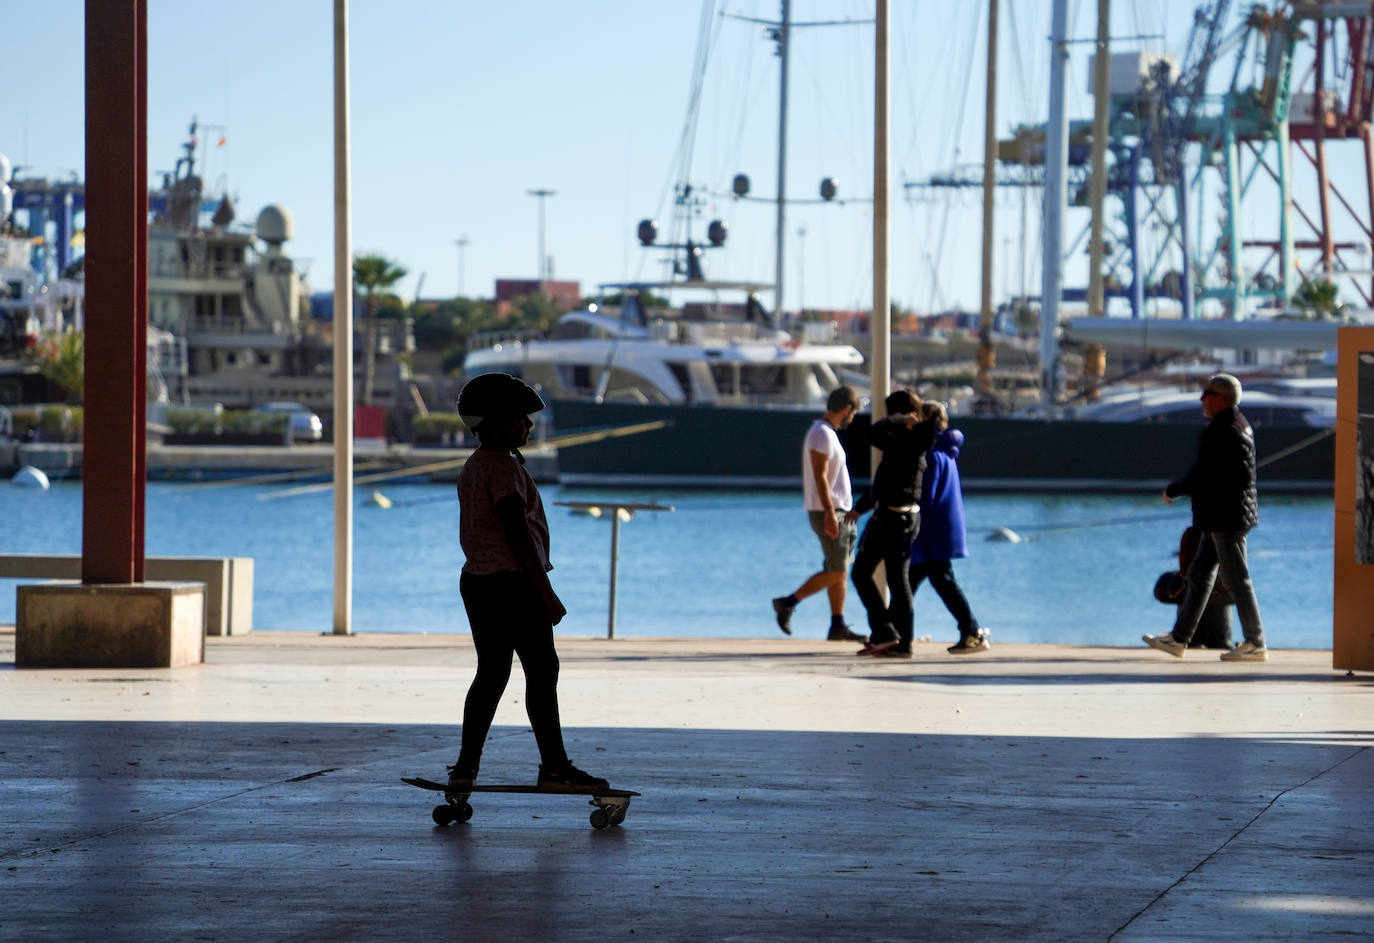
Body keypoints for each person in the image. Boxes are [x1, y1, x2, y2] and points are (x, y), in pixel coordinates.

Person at [447, 373, 609, 791]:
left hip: (478, 583)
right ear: (496, 422)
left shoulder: (475, 465)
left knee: (492, 673)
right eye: (521, 417)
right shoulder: (502, 469)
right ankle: (555, 767)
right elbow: (517, 533)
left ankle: (466, 767)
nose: (529, 425)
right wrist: (546, 592)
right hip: (514, 584)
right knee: (542, 671)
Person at [1144, 373, 1267, 662]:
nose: (1202, 399)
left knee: (1237, 580)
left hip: (1226, 517)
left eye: (1207, 394)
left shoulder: (1223, 430)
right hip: (1218, 517)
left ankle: (1255, 642)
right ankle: (1179, 639)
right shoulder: (1237, 424)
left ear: (1221, 400)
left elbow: (1203, 475)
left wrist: (1172, 491)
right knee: (1200, 575)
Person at [772, 385, 867, 641]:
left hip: (839, 510)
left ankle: (838, 625)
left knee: (839, 570)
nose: (853, 418)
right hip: (829, 511)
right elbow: (820, 477)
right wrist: (829, 513)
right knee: (837, 571)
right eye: (853, 413)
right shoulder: (821, 434)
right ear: (847, 409)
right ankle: (788, 602)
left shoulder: (827, 433)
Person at [849, 389, 938, 656]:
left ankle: (887, 633)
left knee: (862, 574)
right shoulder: (910, 440)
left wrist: (898, 420)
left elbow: (872, 433)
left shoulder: (911, 439)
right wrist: (859, 508)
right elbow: (885, 481)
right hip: (906, 517)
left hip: (891, 518)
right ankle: (900, 642)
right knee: (898, 582)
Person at [906, 401, 991, 656]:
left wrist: (909, 518)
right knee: (916, 580)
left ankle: (971, 630)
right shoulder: (947, 451)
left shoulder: (931, 454)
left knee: (935, 580)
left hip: (931, 531)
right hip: (943, 528)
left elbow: (925, 497)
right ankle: (892, 631)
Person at [1152, 526, 1234, 650]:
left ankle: (1181, 638)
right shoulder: (1179, 580)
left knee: (1203, 586)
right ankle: (1181, 638)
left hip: (1220, 642)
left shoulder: (1223, 581)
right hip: (1197, 641)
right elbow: (1160, 592)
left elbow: (1235, 594)